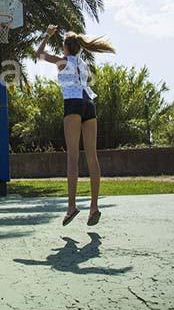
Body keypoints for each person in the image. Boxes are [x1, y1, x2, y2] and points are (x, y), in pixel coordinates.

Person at [36, 25, 115, 226]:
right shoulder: (83, 64)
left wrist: (47, 35)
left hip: (73, 104)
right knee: (92, 156)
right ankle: (94, 207)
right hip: (89, 104)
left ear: (65, 47)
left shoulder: (63, 61)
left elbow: (39, 54)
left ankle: (71, 207)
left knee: (72, 157)